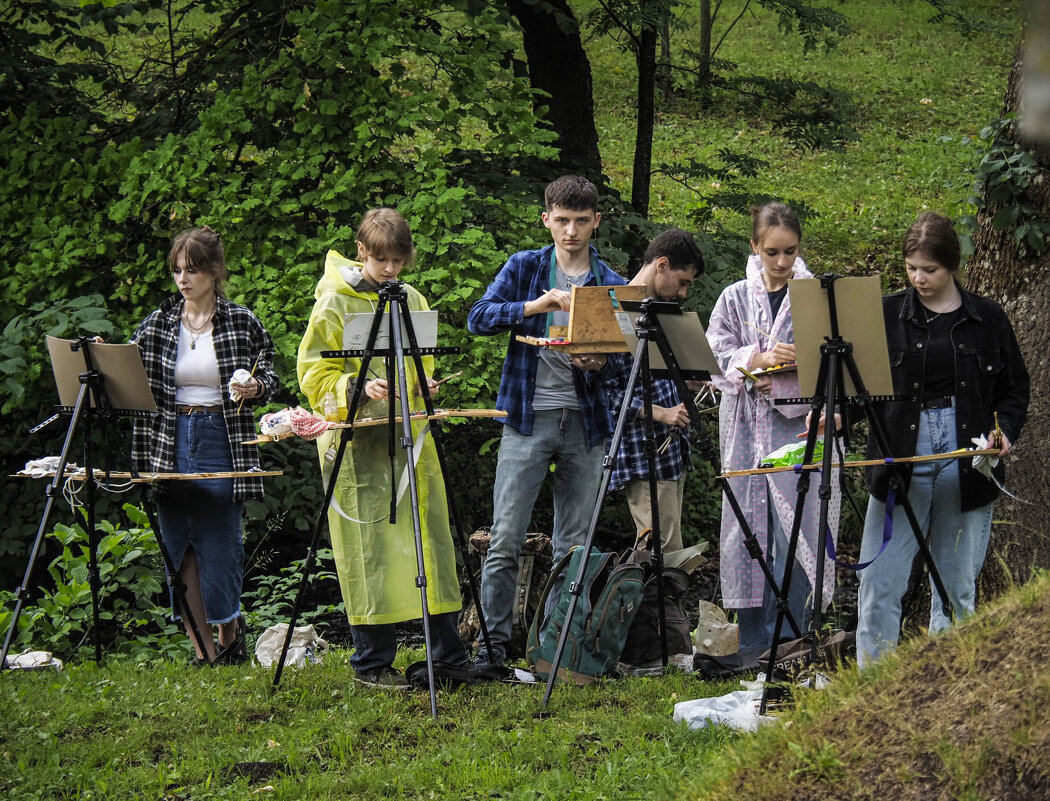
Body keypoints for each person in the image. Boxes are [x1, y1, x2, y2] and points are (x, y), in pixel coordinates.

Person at [297, 208, 470, 689]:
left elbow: (420, 361)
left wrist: (423, 381)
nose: (390, 270)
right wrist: (356, 385)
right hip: (359, 447)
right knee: (367, 550)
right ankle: (372, 661)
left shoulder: (412, 298)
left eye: (398, 260)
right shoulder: (333, 301)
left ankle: (446, 655)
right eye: (381, 261)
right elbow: (313, 373)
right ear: (361, 253)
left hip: (409, 438)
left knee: (429, 543)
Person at [855, 212, 1029, 667]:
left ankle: (946, 689)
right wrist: (836, 417)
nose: (918, 278)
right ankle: (871, 693)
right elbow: (861, 386)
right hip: (898, 456)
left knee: (956, 587)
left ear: (951, 265)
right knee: (879, 582)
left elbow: (1014, 389)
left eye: (928, 270)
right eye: (911, 268)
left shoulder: (987, 317)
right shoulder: (886, 313)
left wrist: (1004, 432)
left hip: (966, 457)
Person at [467, 175, 624, 667]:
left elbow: (624, 360)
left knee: (574, 545)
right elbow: (478, 317)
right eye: (562, 221)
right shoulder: (526, 267)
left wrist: (598, 364)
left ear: (596, 221)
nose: (571, 231)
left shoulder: (612, 283)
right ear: (546, 220)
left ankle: (554, 648)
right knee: (506, 537)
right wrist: (536, 305)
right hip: (527, 417)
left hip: (585, 422)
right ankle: (491, 648)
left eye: (581, 221)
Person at [131, 226, 279, 665]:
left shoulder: (241, 320)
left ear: (214, 272)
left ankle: (230, 637)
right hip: (167, 438)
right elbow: (127, 375)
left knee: (221, 542)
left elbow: (270, 376)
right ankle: (204, 651)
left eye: (192, 270)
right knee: (180, 544)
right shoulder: (158, 322)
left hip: (221, 435)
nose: (183, 278)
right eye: (177, 270)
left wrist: (255, 387)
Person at [706, 202, 839, 653]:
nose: (782, 262)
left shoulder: (818, 295)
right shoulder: (733, 297)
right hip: (745, 425)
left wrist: (804, 359)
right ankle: (753, 642)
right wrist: (756, 359)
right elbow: (714, 355)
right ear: (754, 247)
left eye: (791, 252)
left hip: (800, 425)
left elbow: (842, 359)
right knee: (747, 526)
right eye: (772, 253)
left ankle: (796, 637)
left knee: (801, 524)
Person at [606, 228, 705, 552]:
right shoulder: (615, 307)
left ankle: (662, 602)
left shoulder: (659, 310)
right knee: (661, 551)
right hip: (640, 454)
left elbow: (652, 377)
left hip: (671, 453)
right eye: (683, 282)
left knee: (669, 549)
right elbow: (605, 393)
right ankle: (647, 604)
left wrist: (685, 382)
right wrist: (662, 413)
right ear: (662, 264)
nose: (684, 293)